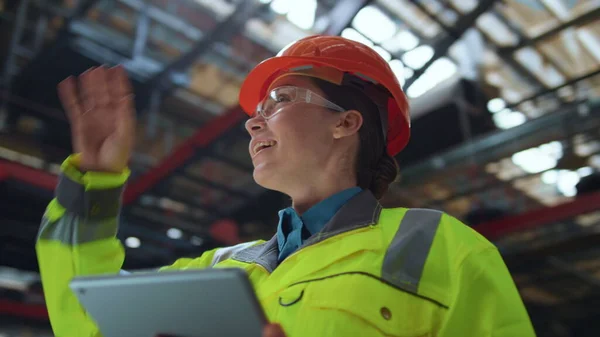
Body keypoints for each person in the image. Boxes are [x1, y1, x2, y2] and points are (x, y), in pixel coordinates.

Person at [36, 35, 536, 337]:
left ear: (346, 122)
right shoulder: (219, 268)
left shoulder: (441, 250)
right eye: (256, 113)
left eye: (279, 100)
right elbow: (89, 316)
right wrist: (94, 185)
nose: (254, 123)